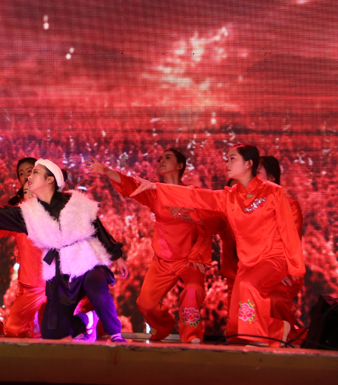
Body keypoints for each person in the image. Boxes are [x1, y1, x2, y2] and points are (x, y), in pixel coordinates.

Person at [130, 144, 304, 346]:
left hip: (273, 258)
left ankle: (272, 334)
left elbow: (289, 231)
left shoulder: (274, 192)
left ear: (248, 164)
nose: (227, 164)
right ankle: (277, 331)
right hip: (247, 264)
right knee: (237, 324)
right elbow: (196, 196)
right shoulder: (230, 197)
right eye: (227, 159)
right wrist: (158, 187)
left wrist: (295, 268)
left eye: (232, 159)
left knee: (247, 286)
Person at [0, 159, 129, 342]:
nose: (28, 177)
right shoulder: (28, 213)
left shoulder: (75, 202)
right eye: (25, 175)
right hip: (60, 274)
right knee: (51, 331)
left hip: (87, 262)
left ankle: (115, 333)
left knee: (95, 285)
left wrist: (117, 256)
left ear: (50, 179)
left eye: (34, 172)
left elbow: (97, 227)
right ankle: (84, 321)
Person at [86, 149, 212, 343]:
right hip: (163, 260)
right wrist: (107, 171)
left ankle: (191, 335)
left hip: (189, 260)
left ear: (180, 166)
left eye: (167, 158)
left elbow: (208, 226)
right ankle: (163, 326)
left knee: (193, 290)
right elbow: (131, 186)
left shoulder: (192, 195)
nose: (161, 160)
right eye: (160, 158)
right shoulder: (155, 193)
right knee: (145, 304)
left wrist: (199, 255)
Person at [0, 157, 48, 338]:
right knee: (15, 330)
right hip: (32, 280)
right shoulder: (17, 210)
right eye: (21, 174)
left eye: (30, 171)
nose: (26, 176)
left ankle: (82, 319)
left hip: (59, 280)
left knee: (55, 328)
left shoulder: (58, 202)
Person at [258, 155, 304, 343]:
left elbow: (292, 243)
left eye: (258, 173)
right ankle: (267, 337)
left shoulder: (289, 205)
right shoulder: (248, 206)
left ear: (272, 177)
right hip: (257, 270)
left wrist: (282, 270)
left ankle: (287, 339)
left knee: (275, 299)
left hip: (284, 270)